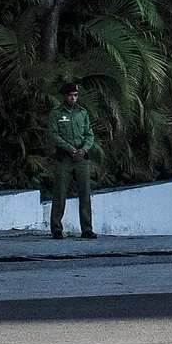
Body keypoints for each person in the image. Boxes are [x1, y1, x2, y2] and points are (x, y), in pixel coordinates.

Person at [48, 81, 97, 239]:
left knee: (85, 193)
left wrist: (84, 149)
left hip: (81, 159)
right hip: (64, 158)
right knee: (60, 193)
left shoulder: (82, 113)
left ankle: (87, 228)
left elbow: (89, 134)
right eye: (70, 95)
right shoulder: (56, 113)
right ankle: (56, 228)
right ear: (65, 96)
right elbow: (54, 135)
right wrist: (71, 149)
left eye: (75, 95)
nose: (73, 98)